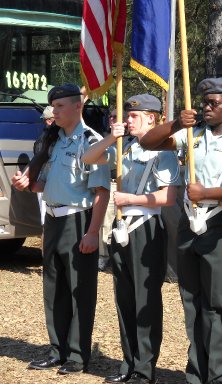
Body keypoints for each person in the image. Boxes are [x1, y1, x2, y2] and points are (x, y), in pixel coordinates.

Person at [139, 78, 222, 384]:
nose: (205, 107)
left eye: (213, 103)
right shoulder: (192, 135)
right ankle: (195, 373)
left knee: (217, 303)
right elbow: (147, 142)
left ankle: (217, 374)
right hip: (189, 225)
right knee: (190, 300)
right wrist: (177, 122)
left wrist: (207, 192)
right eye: (203, 102)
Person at [82, 94, 181, 384]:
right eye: (127, 115)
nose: (128, 120)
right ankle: (128, 362)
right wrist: (110, 138)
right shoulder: (124, 147)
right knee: (124, 298)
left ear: (152, 118)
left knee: (145, 300)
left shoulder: (163, 151)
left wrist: (131, 198)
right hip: (121, 227)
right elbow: (88, 158)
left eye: (134, 116)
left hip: (146, 226)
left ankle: (145, 367)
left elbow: (168, 196)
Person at [12, 83, 110, 375]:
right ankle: (58, 350)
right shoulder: (52, 142)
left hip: (78, 220)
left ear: (78, 106)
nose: (53, 111)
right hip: (53, 220)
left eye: (59, 106)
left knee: (80, 288)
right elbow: (44, 184)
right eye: (52, 106)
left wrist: (93, 232)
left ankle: (78, 356)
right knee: (53, 287)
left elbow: (101, 192)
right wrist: (27, 184)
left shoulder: (90, 142)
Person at [98, 108, 127, 271]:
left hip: (126, 185)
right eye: (110, 116)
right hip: (109, 184)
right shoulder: (103, 139)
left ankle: (121, 255)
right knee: (105, 222)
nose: (112, 119)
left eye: (116, 117)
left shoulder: (130, 140)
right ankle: (103, 256)